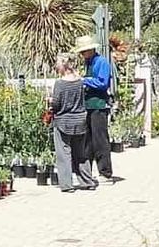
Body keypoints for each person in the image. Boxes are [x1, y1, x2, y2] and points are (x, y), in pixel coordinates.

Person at [49, 54, 97, 192]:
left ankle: (67, 185)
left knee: (64, 154)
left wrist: (50, 102)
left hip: (63, 121)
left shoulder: (60, 83)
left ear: (62, 65)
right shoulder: (79, 81)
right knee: (80, 153)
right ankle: (87, 181)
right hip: (80, 120)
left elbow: (56, 104)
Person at [75, 34, 114, 181]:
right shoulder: (88, 63)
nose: (82, 54)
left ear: (91, 49)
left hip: (99, 105)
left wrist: (84, 80)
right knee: (88, 140)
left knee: (100, 139)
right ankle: (87, 172)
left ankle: (105, 172)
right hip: (88, 105)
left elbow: (103, 83)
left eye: (84, 51)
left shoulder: (101, 62)